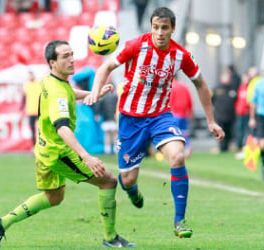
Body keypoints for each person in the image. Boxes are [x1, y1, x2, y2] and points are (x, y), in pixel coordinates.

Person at [84, 7, 225, 238]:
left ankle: (179, 221)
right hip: (130, 119)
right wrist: (95, 92)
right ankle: (132, 189)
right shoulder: (135, 45)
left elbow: (200, 84)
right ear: (151, 27)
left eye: (165, 28)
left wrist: (211, 121)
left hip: (160, 116)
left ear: (173, 29)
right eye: (156, 27)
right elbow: (106, 67)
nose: (160, 32)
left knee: (178, 157)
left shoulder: (181, 55)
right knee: (128, 179)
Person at [0, 40, 136, 248]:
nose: (71, 59)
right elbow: (62, 128)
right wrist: (86, 156)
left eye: (72, 54)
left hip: (45, 148)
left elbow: (69, 94)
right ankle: (110, 238)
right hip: (60, 152)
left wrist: (93, 94)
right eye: (65, 56)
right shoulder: (57, 89)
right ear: (52, 62)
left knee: (54, 196)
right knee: (108, 181)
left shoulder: (51, 80)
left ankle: (2, 223)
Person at [211, 66, 238, 152]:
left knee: (229, 131)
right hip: (220, 114)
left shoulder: (233, 88)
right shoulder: (216, 88)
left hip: (230, 115)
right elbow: (211, 99)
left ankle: (228, 145)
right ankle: (222, 146)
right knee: (221, 131)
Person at [169, 77, 193, 158]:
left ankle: (176, 152)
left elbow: (170, 100)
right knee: (185, 133)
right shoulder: (184, 86)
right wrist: (190, 113)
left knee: (174, 134)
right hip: (184, 114)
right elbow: (189, 100)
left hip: (174, 113)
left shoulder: (171, 86)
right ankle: (188, 148)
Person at [19, 70, 41, 151]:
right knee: (32, 129)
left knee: (41, 129)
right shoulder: (27, 86)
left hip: (39, 110)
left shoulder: (39, 84)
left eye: (31, 75)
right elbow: (24, 98)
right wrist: (21, 109)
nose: (30, 77)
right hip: (30, 111)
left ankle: (42, 146)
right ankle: (34, 146)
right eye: (29, 76)